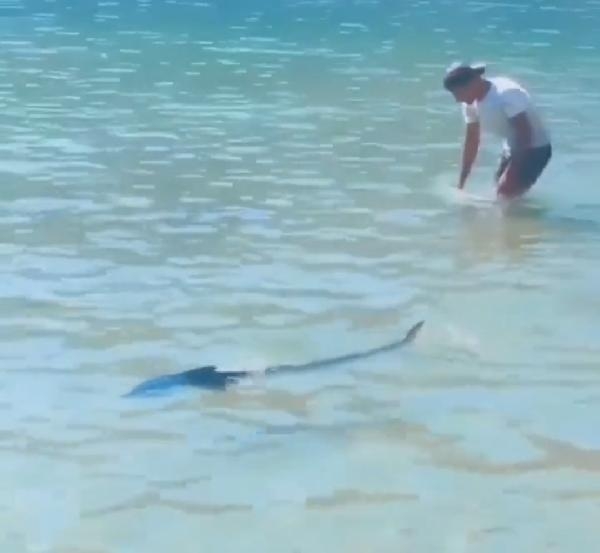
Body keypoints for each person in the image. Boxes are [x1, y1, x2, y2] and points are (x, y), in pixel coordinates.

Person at [443, 62, 552, 199]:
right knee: (502, 193)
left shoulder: (506, 94)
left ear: (474, 83)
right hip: (511, 147)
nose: (457, 100)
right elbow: (472, 141)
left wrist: (513, 172)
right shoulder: (470, 103)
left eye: (459, 93)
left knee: (504, 193)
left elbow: (525, 133)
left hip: (535, 148)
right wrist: (462, 182)